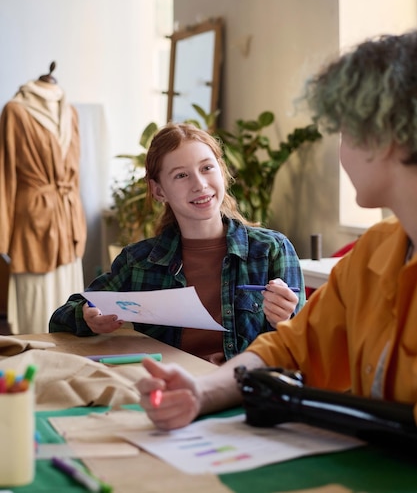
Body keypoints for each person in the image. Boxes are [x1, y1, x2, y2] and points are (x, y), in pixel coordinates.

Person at [137, 30, 417, 430]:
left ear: (384, 137)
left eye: (343, 131)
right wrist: (202, 392)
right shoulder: (376, 250)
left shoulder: (279, 248)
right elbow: (289, 346)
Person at [49, 122, 305, 364]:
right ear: (159, 190)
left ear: (222, 172)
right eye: (181, 175)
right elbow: (61, 318)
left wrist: (285, 319)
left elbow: (305, 344)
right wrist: (88, 317)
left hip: (241, 393)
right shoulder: (138, 262)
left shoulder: (272, 250)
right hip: (163, 389)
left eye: (207, 168)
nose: (200, 185)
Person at [0, 63, 87, 334]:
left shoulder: (70, 111)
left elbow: (74, 175)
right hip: (34, 219)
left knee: (70, 301)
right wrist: (3, 234)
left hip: (68, 217)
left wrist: (79, 224)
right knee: (36, 303)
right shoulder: (16, 110)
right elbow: (5, 172)